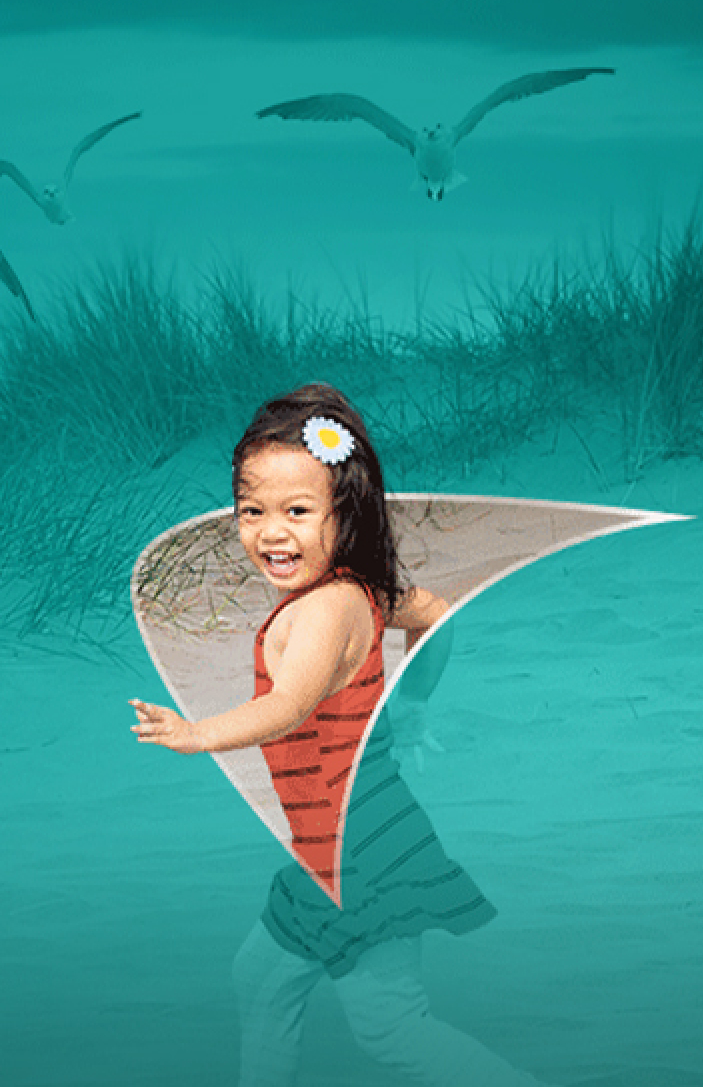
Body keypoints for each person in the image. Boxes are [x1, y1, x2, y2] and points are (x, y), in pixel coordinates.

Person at [130, 383, 554, 1087]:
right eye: (252, 511)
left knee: (391, 1028)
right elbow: (436, 612)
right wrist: (414, 699)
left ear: (344, 512)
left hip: (363, 853)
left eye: (297, 512)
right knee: (260, 977)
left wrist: (197, 734)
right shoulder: (361, 588)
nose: (270, 532)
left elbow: (292, 705)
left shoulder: (325, 611)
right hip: (341, 840)